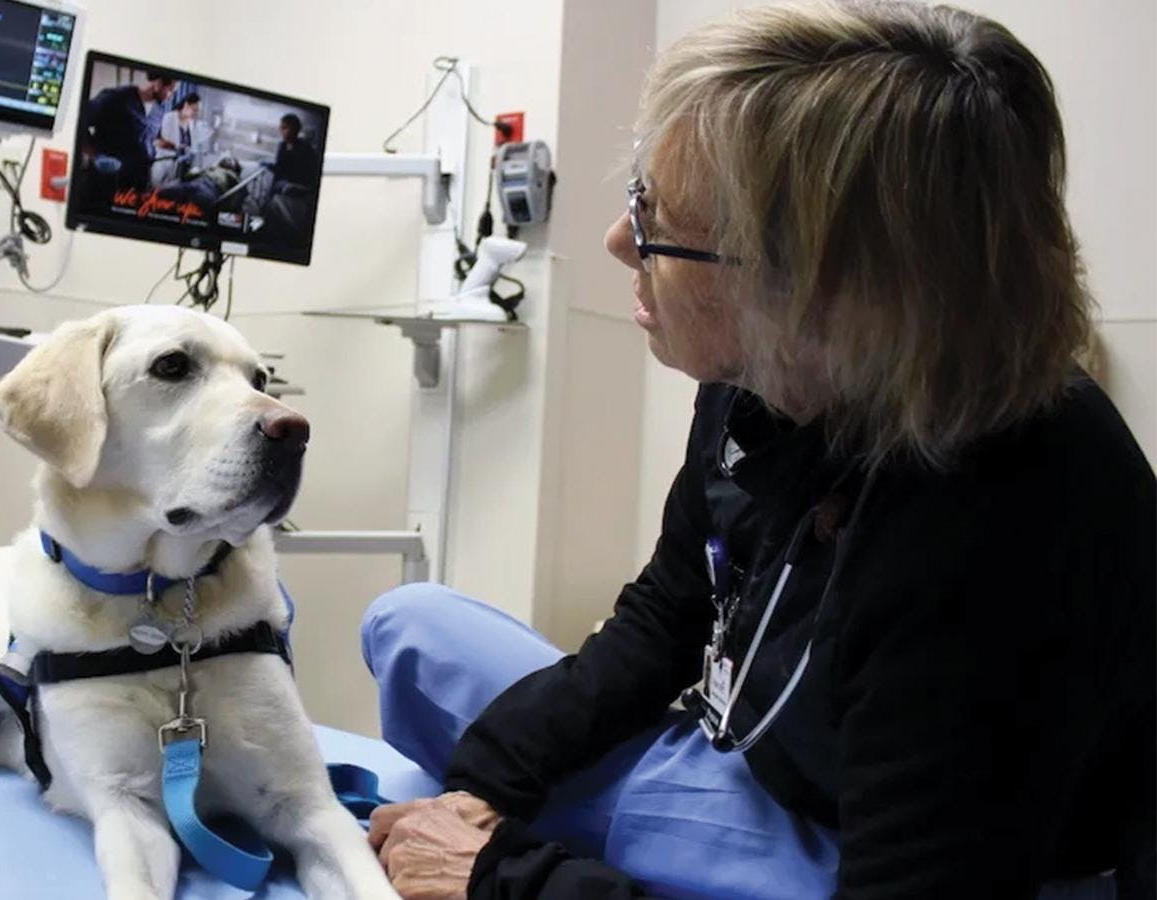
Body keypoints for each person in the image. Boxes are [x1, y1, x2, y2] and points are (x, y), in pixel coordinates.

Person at [361, 2, 1156, 898]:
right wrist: (479, 792)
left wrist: (503, 878)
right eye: (638, 197)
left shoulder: (1007, 523)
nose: (620, 243)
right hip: (744, 763)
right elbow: (670, 612)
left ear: (814, 292)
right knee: (410, 626)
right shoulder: (769, 373)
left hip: (882, 853)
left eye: (658, 225)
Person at [78, 70, 176, 196]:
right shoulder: (114, 97)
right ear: (158, 83)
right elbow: (78, 122)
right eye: (171, 89)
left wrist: (173, 146)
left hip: (139, 183)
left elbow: (149, 137)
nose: (172, 95)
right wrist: (95, 156)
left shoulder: (159, 109)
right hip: (108, 182)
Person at [152, 92, 210, 187]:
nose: (196, 114)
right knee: (154, 188)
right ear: (186, 105)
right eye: (194, 110)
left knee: (168, 190)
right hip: (162, 160)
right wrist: (179, 146)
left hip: (175, 164)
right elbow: (160, 142)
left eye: (198, 111)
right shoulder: (170, 117)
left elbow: (190, 143)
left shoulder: (190, 123)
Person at [266, 112, 318, 195]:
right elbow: (281, 167)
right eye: (281, 127)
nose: (281, 130)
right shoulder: (283, 145)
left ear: (295, 129)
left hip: (299, 184)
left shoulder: (305, 148)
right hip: (286, 181)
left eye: (284, 127)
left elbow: (299, 172)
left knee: (275, 187)